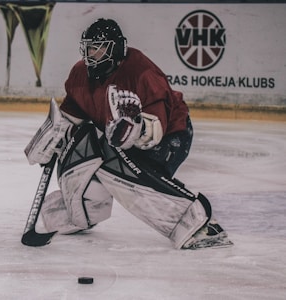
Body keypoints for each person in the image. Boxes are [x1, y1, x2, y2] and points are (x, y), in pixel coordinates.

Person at [24, 18, 232, 249]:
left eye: (98, 47)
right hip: (119, 141)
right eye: (89, 47)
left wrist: (136, 128)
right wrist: (55, 133)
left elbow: (154, 131)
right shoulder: (80, 73)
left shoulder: (141, 72)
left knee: (117, 164)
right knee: (79, 144)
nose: (91, 53)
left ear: (115, 49)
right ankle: (81, 211)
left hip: (171, 138)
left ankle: (198, 223)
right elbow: (71, 115)